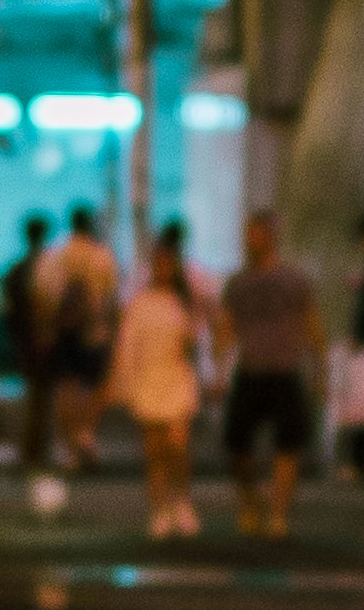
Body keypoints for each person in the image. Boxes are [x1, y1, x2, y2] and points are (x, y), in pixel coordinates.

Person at [217, 208, 328, 546]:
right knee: (237, 445)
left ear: (270, 236)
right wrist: (218, 366)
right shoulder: (238, 283)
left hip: (285, 369)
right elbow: (226, 326)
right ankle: (250, 500)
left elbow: (312, 323)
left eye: (255, 233)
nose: (249, 240)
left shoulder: (293, 280)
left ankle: (278, 512)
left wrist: (320, 368)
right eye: (247, 234)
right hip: (250, 370)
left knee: (289, 444)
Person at [108, 228, 211, 540]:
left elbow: (196, 343)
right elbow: (127, 346)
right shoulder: (140, 304)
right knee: (155, 452)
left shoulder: (184, 302)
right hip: (149, 380)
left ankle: (182, 501)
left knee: (178, 445)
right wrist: (122, 382)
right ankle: (160, 509)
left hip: (176, 378)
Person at [32, 208, 120, 482]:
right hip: (96, 331)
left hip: (64, 333)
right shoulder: (102, 256)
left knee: (67, 388)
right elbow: (112, 295)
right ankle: (86, 433)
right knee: (96, 386)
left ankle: (72, 445)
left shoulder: (56, 255)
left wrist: (47, 327)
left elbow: (42, 292)